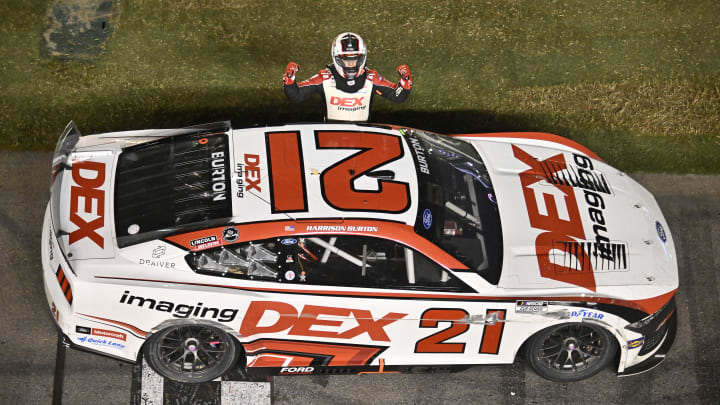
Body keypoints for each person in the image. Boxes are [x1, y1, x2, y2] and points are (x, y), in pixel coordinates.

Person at [283, 32, 412, 122]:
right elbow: (296, 96)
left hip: (364, 135)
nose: (351, 64)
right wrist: (290, 80)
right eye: (346, 60)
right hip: (330, 137)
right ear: (337, 58)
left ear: (362, 58)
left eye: (355, 59)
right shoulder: (324, 77)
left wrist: (405, 83)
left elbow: (397, 96)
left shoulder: (371, 77)